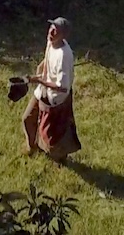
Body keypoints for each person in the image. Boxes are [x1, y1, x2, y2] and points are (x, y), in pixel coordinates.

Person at [23, 17, 81, 162]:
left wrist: (39, 80)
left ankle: (60, 159)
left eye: (56, 31)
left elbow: (62, 87)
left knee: (53, 137)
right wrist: (40, 70)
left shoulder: (64, 55)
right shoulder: (51, 41)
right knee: (27, 118)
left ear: (63, 35)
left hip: (56, 100)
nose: (51, 32)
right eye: (51, 28)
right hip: (42, 90)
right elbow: (48, 57)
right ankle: (32, 147)